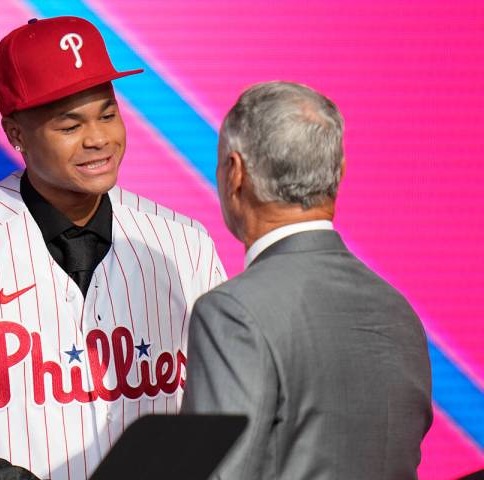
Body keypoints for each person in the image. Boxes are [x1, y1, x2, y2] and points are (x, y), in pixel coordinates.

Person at [0, 16, 225, 480]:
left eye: (107, 114)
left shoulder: (185, 243)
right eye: (69, 124)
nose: (98, 139)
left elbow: (228, 406)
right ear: (16, 133)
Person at [181, 81, 432, 479]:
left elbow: (218, 472)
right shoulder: (397, 309)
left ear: (235, 172)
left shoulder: (231, 313)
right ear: (340, 171)